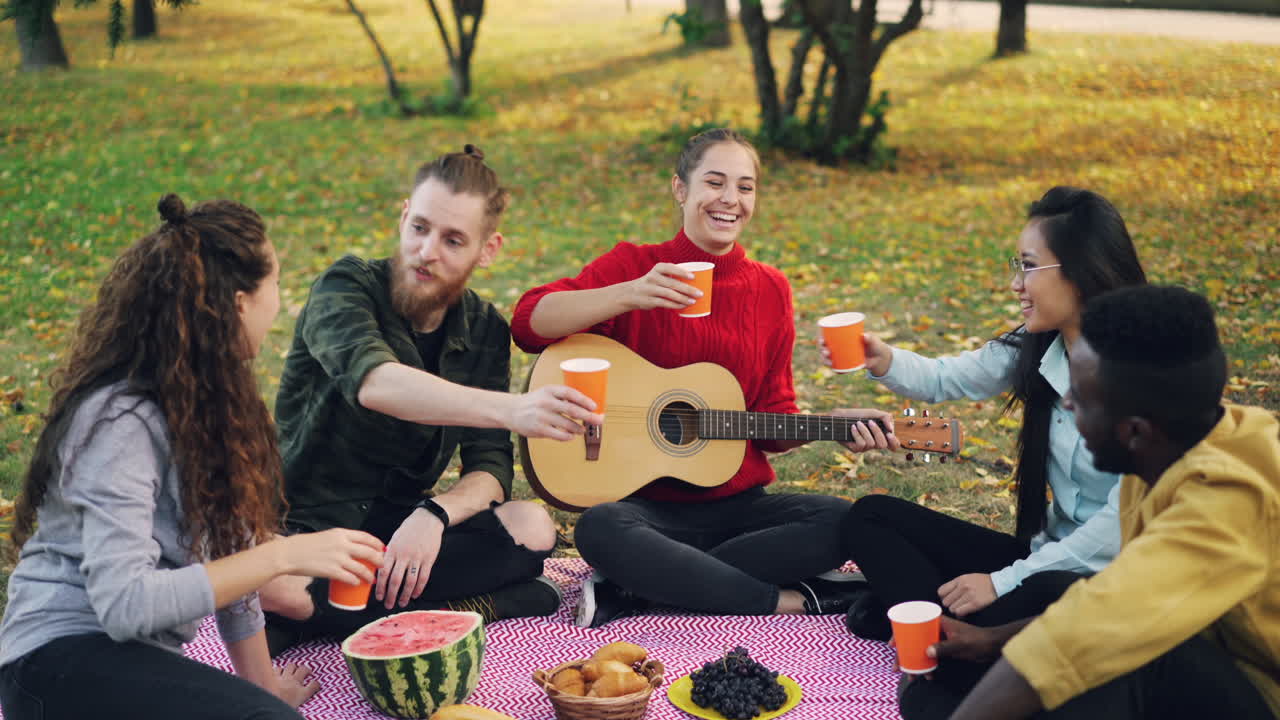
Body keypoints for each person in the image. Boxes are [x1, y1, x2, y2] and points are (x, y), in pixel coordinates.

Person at [0, 194, 385, 720]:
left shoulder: (208, 404)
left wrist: (263, 686)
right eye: (275, 283)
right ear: (240, 304)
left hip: (129, 661)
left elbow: (231, 557)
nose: (280, 300)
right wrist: (282, 556)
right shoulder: (120, 422)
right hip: (52, 665)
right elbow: (125, 607)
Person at [510, 128, 900, 629]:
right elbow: (527, 322)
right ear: (680, 189)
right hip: (644, 515)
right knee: (601, 529)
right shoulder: (635, 266)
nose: (730, 200)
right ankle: (789, 600)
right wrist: (629, 294)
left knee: (847, 520)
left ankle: (641, 586)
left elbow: (773, 419)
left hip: (740, 514)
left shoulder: (770, 289)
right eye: (714, 182)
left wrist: (831, 424)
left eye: (745, 187)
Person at [261, 146, 601, 652]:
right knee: (276, 585)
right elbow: (376, 383)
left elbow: (489, 469)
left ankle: (325, 617)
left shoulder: (484, 330)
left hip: (402, 535)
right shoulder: (345, 286)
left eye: (453, 239)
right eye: (419, 228)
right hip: (308, 523)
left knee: (532, 527)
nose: (427, 250)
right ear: (403, 216)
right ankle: (474, 606)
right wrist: (514, 409)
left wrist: (433, 516)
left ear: (487, 250)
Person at [836, 187, 1148, 651]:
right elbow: (946, 378)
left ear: (1081, 272)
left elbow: (1116, 528)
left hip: (1104, 583)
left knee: (1044, 594)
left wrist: (1002, 582)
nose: (1016, 284)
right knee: (871, 517)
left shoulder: (1146, 372)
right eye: (1016, 266)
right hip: (1043, 558)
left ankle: (931, 631)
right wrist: (880, 358)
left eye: (1029, 266)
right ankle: (937, 629)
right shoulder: (1043, 344)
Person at [946, 284, 1278, 720]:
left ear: (1135, 432)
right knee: (1056, 594)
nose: (1066, 402)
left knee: (1125, 660)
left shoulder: (1225, 500)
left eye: (1080, 398)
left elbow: (1102, 625)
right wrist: (987, 643)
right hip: (1206, 652)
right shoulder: (1177, 443)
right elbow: (1120, 597)